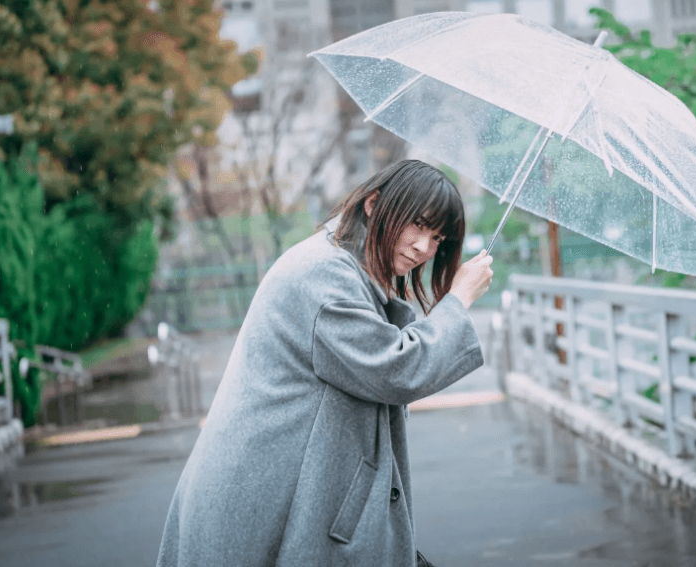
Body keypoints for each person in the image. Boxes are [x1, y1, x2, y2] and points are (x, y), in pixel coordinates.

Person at [156, 159, 494, 567]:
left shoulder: (342, 266)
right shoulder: (323, 274)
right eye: (418, 225)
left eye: (437, 237)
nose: (424, 247)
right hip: (260, 510)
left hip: (281, 499)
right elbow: (397, 369)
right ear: (374, 204)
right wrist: (457, 300)